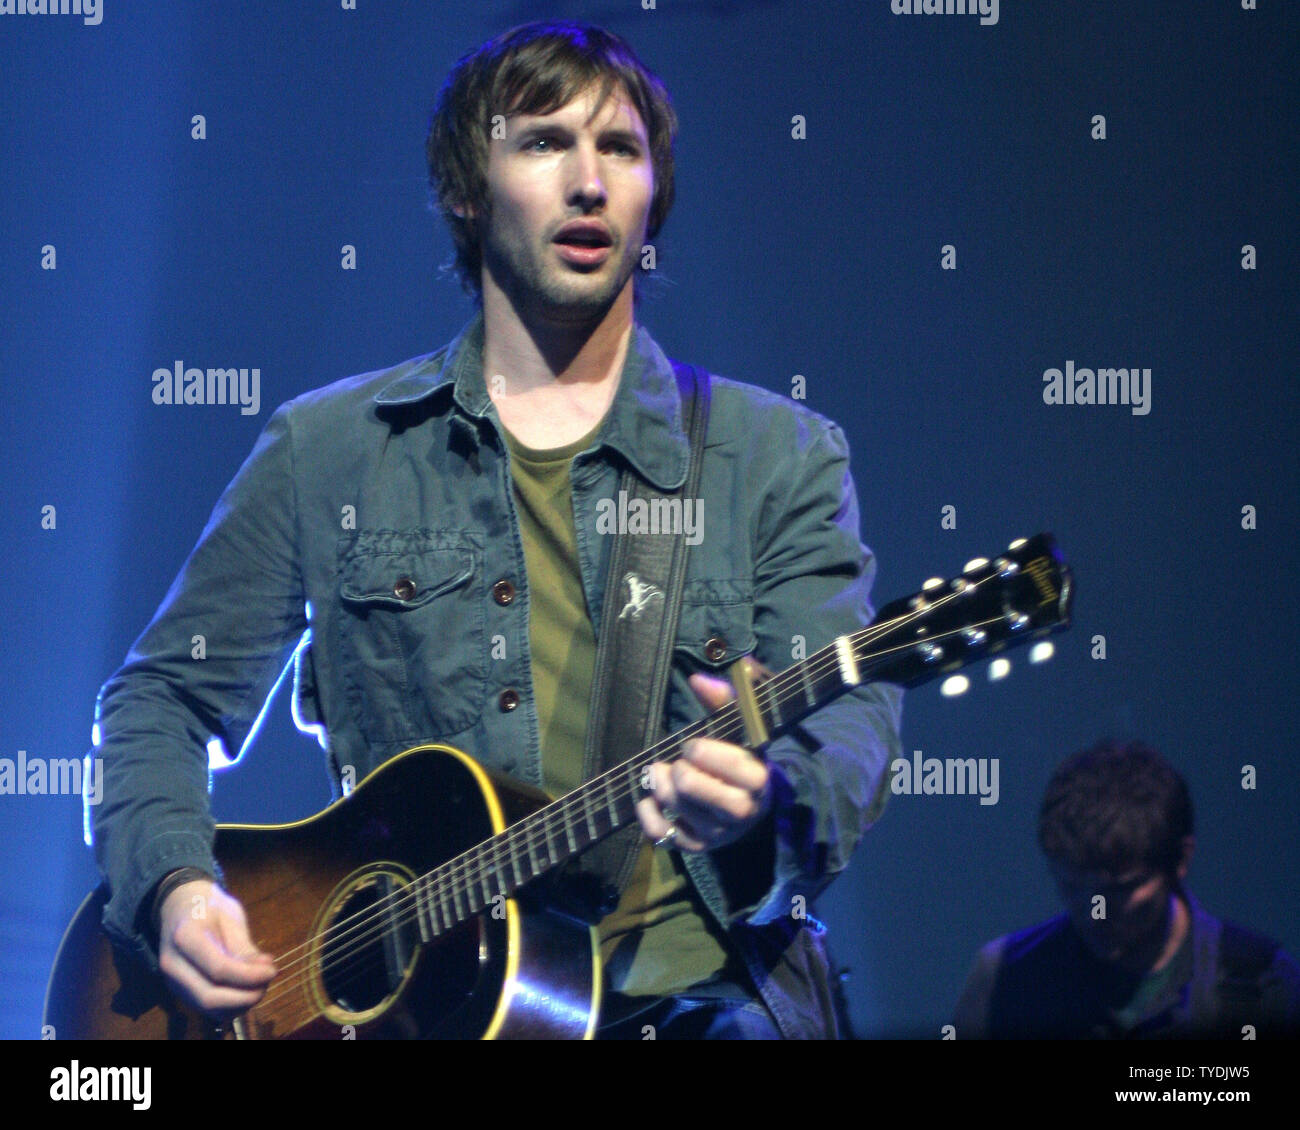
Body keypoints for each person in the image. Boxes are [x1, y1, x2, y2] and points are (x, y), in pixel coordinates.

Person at [88, 20, 902, 1040]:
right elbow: (160, 698)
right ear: (467, 192)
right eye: (544, 142)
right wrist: (176, 887)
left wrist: (760, 809)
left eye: (620, 147)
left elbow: (847, 732)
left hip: (700, 1008)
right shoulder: (333, 449)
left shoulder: (774, 454)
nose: (590, 181)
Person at [952, 739, 1300, 1039]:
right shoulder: (1004, 978)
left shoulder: (1263, 985)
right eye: (1072, 886)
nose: (1094, 913)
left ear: (1180, 859)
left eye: (1120, 891)